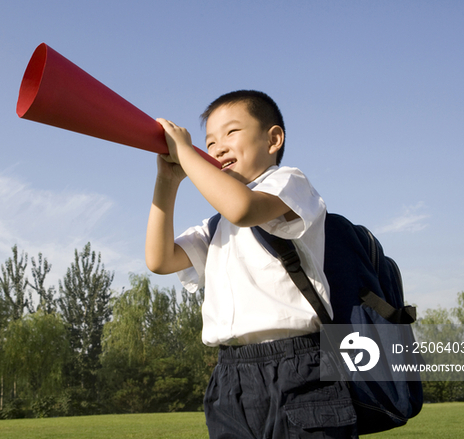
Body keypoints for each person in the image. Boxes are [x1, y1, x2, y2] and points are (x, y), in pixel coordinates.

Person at [145, 90, 357, 439]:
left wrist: (184, 151)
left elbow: (243, 209)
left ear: (273, 139)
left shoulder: (290, 183)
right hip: (231, 374)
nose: (217, 148)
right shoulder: (215, 227)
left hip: (302, 364)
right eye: (209, 142)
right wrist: (167, 181)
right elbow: (160, 259)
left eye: (231, 133)